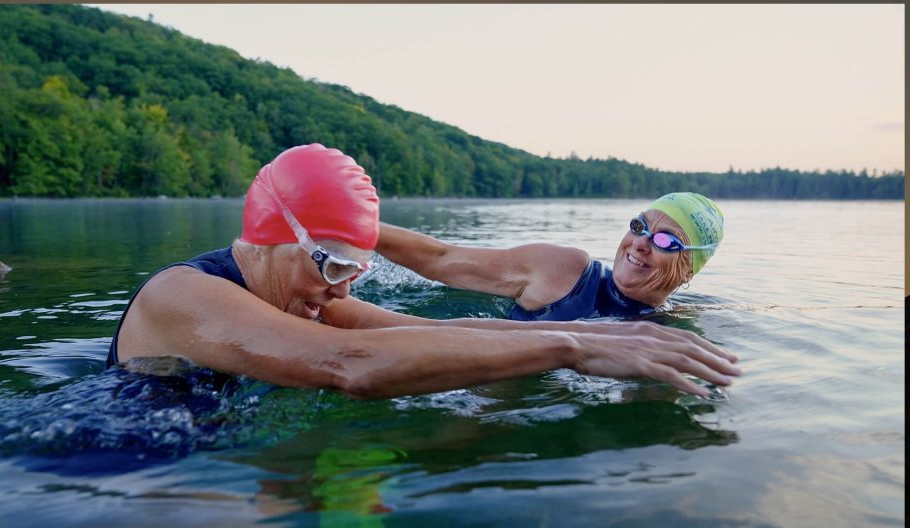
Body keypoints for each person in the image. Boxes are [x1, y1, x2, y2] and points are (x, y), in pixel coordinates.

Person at [107, 144, 739, 399]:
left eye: (358, 264)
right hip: (112, 482)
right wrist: (569, 344)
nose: (344, 284)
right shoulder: (182, 295)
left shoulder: (308, 300)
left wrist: (615, 337)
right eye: (332, 262)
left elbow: (421, 329)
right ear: (271, 235)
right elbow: (349, 365)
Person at [375, 192, 724, 322]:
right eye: (638, 226)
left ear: (689, 270)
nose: (640, 244)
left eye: (665, 240)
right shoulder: (566, 271)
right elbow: (441, 258)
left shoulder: (669, 328)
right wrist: (350, 225)